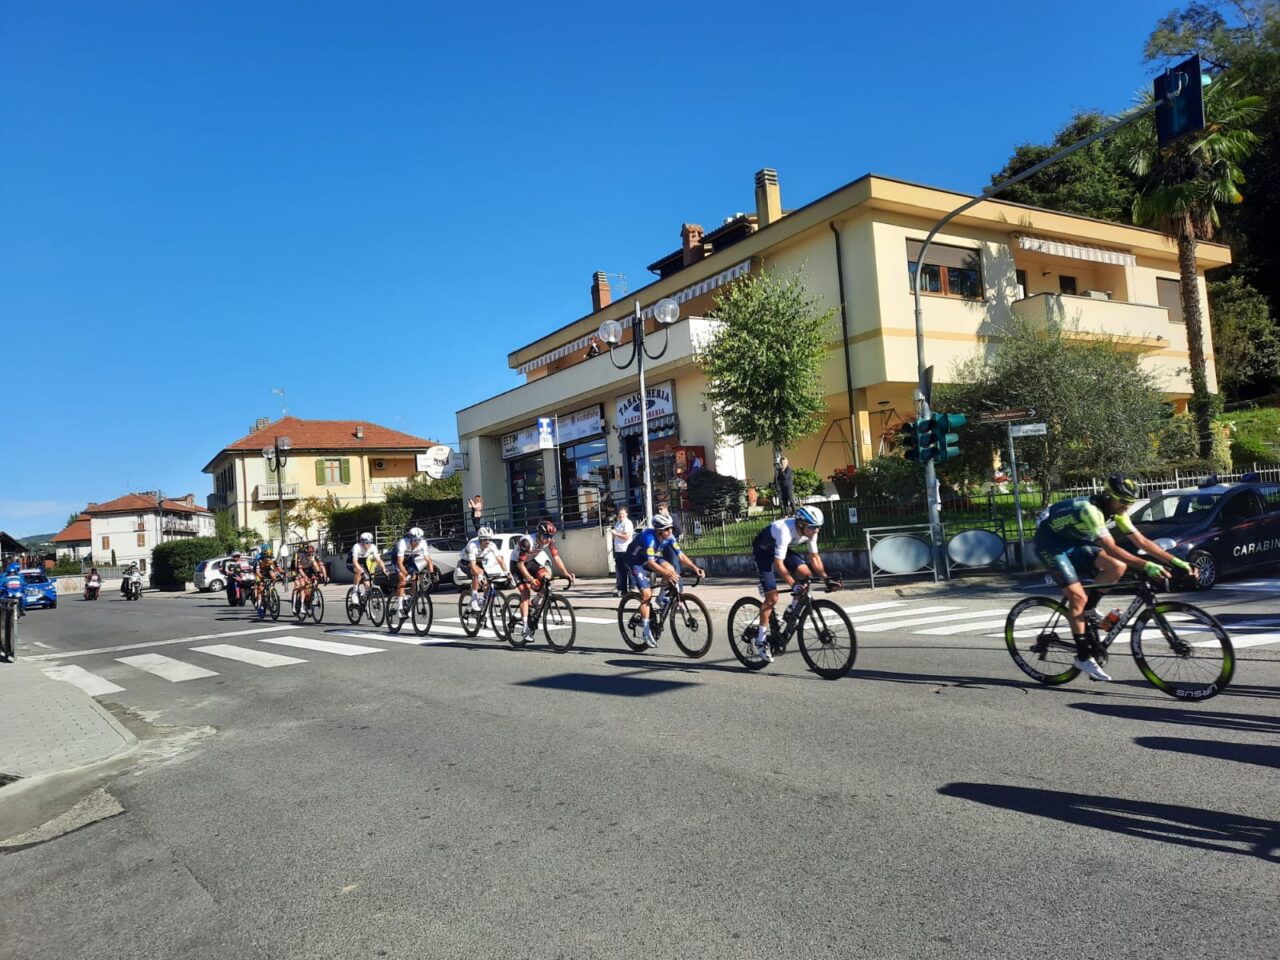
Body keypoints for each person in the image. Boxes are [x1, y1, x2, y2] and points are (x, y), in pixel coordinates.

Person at [1034, 472, 1194, 681]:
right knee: (1078, 597)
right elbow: (1112, 548)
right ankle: (1082, 656)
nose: (1127, 506)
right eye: (1124, 501)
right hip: (1050, 544)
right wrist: (1147, 565)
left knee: (1116, 568)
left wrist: (1176, 561)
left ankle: (1088, 611)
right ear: (1109, 496)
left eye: (1131, 502)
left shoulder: (1117, 511)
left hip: (1073, 540)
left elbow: (1143, 542)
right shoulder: (1089, 511)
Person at [751, 505, 833, 663]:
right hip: (763, 551)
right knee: (772, 598)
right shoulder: (784, 531)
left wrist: (826, 578)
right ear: (802, 525)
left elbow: (814, 558)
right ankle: (760, 640)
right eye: (814, 528)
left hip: (780, 549)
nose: (817, 531)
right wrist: (793, 584)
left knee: (806, 574)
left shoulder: (810, 532)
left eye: (819, 528)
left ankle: (791, 609)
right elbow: (779, 564)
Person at [623, 512, 704, 648]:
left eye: (671, 527)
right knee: (647, 594)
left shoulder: (669, 537)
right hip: (635, 561)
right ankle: (646, 632)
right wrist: (666, 573)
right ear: (659, 530)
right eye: (666, 529)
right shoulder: (649, 538)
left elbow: (681, 556)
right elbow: (650, 564)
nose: (670, 531)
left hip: (650, 558)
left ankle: (660, 600)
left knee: (671, 569)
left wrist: (695, 568)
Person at [459, 526, 507, 611]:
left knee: (487, 583)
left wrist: (507, 572)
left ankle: (484, 602)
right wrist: (479, 575)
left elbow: (500, 560)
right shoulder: (473, 545)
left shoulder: (491, 545)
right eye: (485, 539)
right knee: (477, 575)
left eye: (489, 539)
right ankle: (474, 598)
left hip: (477, 561)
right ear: (480, 539)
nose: (487, 541)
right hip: (466, 562)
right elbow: (473, 565)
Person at [393, 526, 435, 614]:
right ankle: (400, 606)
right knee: (403, 579)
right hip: (397, 559)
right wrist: (406, 574)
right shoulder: (403, 543)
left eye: (419, 540)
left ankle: (410, 599)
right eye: (415, 540)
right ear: (410, 539)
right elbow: (400, 563)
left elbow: (428, 560)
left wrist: (432, 574)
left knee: (415, 579)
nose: (417, 543)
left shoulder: (423, 543)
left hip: (409, 559)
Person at [290, 544, 328, 612]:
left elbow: (321, 566)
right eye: (308, 555)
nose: (310, 556)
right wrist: (305, 577)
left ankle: (311, 596)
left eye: (311, 554)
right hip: (299, 570)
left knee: (315, 580)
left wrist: (325, 576)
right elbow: (299, 569)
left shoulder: (315, 555)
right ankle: (299, 603)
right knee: (302, 584)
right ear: (305, 554)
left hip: (309, 568)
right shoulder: (300, 556)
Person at [611, 506, 634, 596]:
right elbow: (615, 536)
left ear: (626, 514)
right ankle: (622, 590)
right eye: (620, 514)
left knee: (628, 569)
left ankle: (632, 588)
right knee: (620, 571)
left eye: (623, 513)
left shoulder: (627, 523)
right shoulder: (618, 523)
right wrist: (614, 535)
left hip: (625, 549)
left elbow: (626, 536)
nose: (621, 515)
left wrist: (616, 533)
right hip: (618, 550)